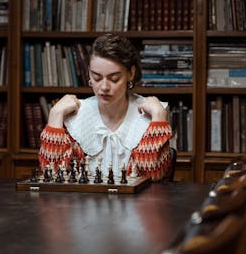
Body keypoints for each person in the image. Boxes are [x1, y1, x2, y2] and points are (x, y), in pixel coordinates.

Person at [38, 33, 173, 181]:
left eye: (114, 79)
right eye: (96, 77)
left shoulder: (152, 115)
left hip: (134, 204)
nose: (104, 87)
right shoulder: (75, 116)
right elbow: (53, 176)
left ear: (131, 74)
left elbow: (152, 177)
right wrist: (55, 115)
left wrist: (159, 117)